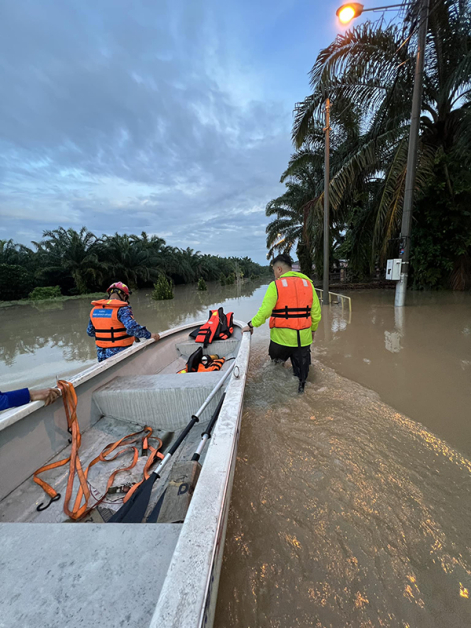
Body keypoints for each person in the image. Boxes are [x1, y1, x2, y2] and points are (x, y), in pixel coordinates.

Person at [242, 253, 321, 393]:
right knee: (302, 379)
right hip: (303, 340)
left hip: (280, 341)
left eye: (273, 271)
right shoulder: (308, 284)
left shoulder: (275, 286)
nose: (274, 274)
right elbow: (316, 313)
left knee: (274, 371)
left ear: (279, 269)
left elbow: (264, 311)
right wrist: (313, 330)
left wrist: (251, 325)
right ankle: (300, 396)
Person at [87, 282, 161, 362]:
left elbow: (90, 332)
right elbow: (132, 328)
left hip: (101, 354)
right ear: (124, 296)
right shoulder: (122, 309)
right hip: (118, 353)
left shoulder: (95, 310)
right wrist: (149, 335)